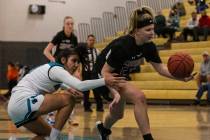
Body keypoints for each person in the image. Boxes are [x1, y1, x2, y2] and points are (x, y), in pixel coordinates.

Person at [95, 6, 194, 140]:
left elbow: (161, 69)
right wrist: (114, 92)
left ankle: (104, 129)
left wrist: (181, 78)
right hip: (101, 76)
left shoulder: (149, 46)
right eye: (148, 30)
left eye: (153, 29)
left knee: (118, 115)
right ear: (136, 31)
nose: (152, 33)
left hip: (119, 77)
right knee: (139, 97)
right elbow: (104, 72)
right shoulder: (122, 46)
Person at [7, 48, 125, 140]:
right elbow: (81, 86)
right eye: (73, 60)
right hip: (22, 101)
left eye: (78, 62)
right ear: (63, 60)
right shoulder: (57, 69)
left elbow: (48, 81)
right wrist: (104, 80)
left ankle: (52, 137)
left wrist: (67, 87)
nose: (76, 64)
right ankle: (54, 138)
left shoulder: (53, 69)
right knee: (69, 100)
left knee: (46, 134)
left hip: (14, 108)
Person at [43, 16, 79, 125]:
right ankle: (50, 116)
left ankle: (69, 117)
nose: (70, 26)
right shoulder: (59, 35)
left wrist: (77, 69)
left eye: (72, 24)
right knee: (55, 92)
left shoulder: (74, 38)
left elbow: (75, 55)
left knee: (71, 90)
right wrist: (54, 61)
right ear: (64, 25)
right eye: (68, 23)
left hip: (68, 69)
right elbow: (46, 51)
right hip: (57, 69)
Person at [79, 34, 104, 112]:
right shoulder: (83, 51)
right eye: (90, 40)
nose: (91, 42)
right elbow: (79, 63)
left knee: (97, 90)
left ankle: (99, 107)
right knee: (86, 91)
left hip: (94, 73)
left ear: (94, 41)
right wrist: (79, 73)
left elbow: (100, 63)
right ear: (87, 41)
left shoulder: (97, 51)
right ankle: (86, 107)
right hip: (86, 73)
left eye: (93, 40)